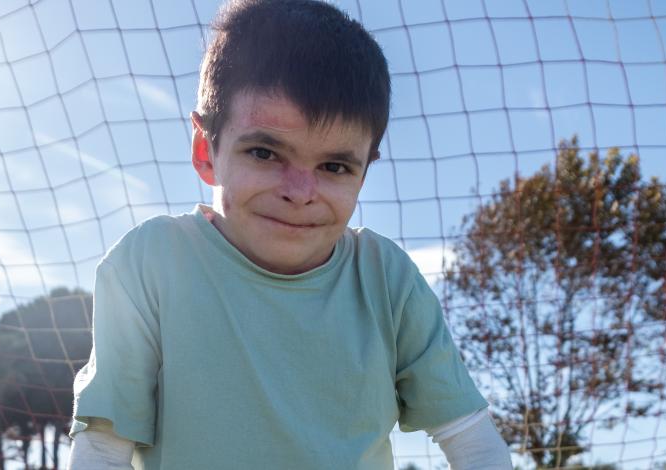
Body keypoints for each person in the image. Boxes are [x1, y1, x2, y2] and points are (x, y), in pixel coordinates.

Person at [67, 0, 512, 468]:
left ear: (363, 174)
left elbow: (472, 441)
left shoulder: (386, 278)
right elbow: (102, 447)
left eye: (335, 166)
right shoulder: (151, 263)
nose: (300, 193)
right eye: (264, 153)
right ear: (206, 149)